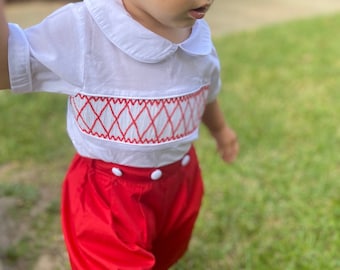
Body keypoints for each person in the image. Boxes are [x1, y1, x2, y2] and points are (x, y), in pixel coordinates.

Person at [0, 0, 239, 269]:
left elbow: (206, 89)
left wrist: (220, 130)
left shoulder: (197, 36)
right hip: (107, 199)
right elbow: (6, 68)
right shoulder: (84, 28)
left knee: (163, 256)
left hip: (180, 183)